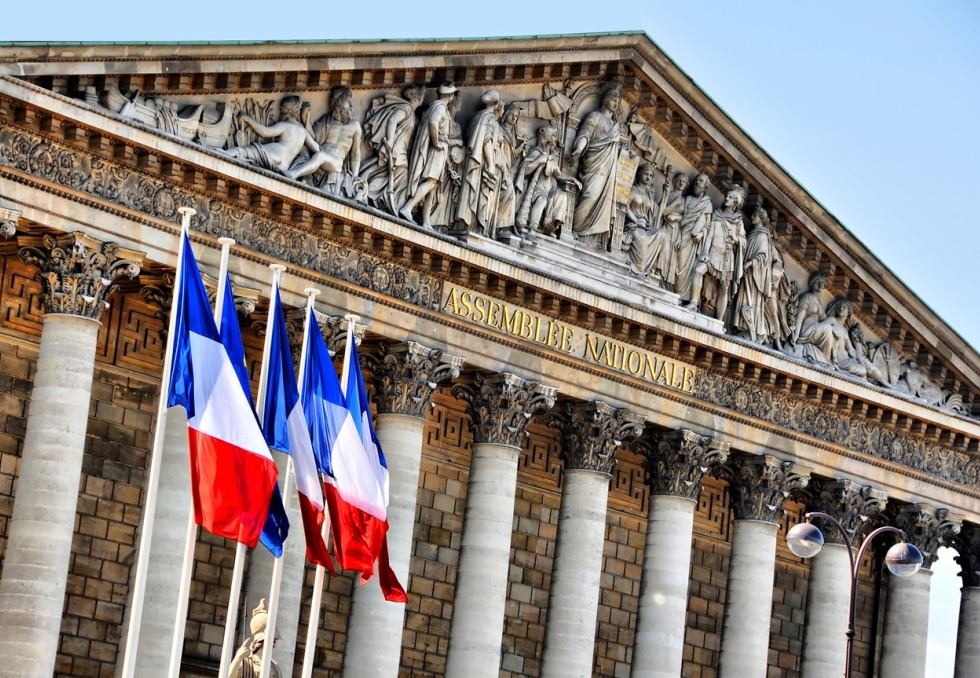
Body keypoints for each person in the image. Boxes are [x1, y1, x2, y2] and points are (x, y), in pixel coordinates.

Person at [400, 81, 460, 228]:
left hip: (441, 150)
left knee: (433, 187)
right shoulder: (439, 107)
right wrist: (436, 142)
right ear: (450, 95)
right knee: (431, 182)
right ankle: (407, 207)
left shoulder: (440, 108)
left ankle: (426, 221)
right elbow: (433, 123)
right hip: (436, 151)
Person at [359, 84, 425, 213]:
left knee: (385, 174)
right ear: (419, 97)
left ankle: (368, 193)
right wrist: (389, 140)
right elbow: (393, 120)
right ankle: (371, 195)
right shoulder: (407, 108)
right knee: (399, 175)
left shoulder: (413, 115)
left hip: (401, 151)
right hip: (396, 150)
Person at [569, 87, 622, 249]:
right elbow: (585, 135)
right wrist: (578, 150)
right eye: (613, 99)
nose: (616, 103)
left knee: (605, 201)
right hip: (593, 165)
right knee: (591, 195)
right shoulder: (595, 117)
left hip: (609, 171)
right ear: (605, 99)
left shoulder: (616, 126)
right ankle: (576, 229)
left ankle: (593, 237)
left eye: (618, 101)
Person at [287, 86, 363, 196]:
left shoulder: (355, 126)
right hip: (320, 151)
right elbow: (314, 137)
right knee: (303, 139)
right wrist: (305, 120)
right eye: (347, 102)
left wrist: (355, 177)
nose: (351, 105)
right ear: (338, 105)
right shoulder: (328, 120)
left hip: (336, 161)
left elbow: (355, 153)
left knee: (320, 156)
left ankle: (293, 174)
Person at [687, 185, 746, 321]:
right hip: (713, 252)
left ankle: (719, 320)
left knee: (724, 288)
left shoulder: (738, 221)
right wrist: (705, 252)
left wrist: (736, 238)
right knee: (698, 270)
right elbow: (710, 235)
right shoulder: (716, 214)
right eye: (727, 196)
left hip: (727, 256)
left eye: (731, 197)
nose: (727, 198)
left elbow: (743, 241)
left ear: (735, 203)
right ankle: (693, 302)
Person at [512, 124, 580, 242]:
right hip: (537, 187)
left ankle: (550, 227)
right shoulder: (536, 152)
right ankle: (532, 230)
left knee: (562, 196)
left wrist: (572, 179)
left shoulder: (551, 157)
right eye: (553, 136)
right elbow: (526, 169)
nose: (555, 139)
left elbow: (559, 175)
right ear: (546, 137)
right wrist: (538, 161)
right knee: (542, 200)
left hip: (549, 188)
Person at [732, 207, 788, 345]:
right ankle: (744, 327)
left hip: (758, 277)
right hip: (748, 274)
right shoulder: (752, 234)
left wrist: (772, 280)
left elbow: (763, 256)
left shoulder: (763, 235)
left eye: (755, 215)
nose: (752, 217)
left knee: (770, 310)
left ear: (762, 218)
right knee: (744, 299)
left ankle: (758, 333)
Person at [227, 96, 318, 174]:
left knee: (243, 151)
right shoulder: (304, 132)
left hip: (277, 153)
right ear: (297, 112)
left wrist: (248, 119)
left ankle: (223, 154)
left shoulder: (285, 125)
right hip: (285, 166)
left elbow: (265, 132)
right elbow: (317, 149)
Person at [456, 90, 502, 236]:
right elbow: (486, 142)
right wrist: (491, 165)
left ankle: (465, 223)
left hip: (472, 162)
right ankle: (472, 225)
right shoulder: (490, 120)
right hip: (480, 164)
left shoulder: (478, 117)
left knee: (470, 193)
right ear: (496, 104)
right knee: (477, 196)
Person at [624, 163, 675, 283]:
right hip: (632, 224)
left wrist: (665, 195)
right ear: (640, 174)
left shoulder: (649, 196)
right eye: (646, 174)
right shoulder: (632, 190)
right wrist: (636, 220)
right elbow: (625, 206)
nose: (648, 177)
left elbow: (657, 212)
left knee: (663, 235)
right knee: (641, 238)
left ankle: (657, 272)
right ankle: (638, 270)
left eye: (651, 175)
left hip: (646, 226)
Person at [672, 172, 714, 300]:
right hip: (682, 235)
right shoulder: (688, 199)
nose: (697, 182)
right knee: (678, 266)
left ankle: (682, 297)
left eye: (701, 181)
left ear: (706, 186)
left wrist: (701, 234)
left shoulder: (707, 204)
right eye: (696, 180)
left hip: (694, 241)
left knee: (687, 270)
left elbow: (708, 226)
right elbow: (682, 217)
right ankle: (675, 293)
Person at [227, 599, 282, 678]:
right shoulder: (246, 662)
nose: (273, 644)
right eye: (271, 641)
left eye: (273, 641)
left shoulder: (274, 666)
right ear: (261, 642)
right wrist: (238, 659)